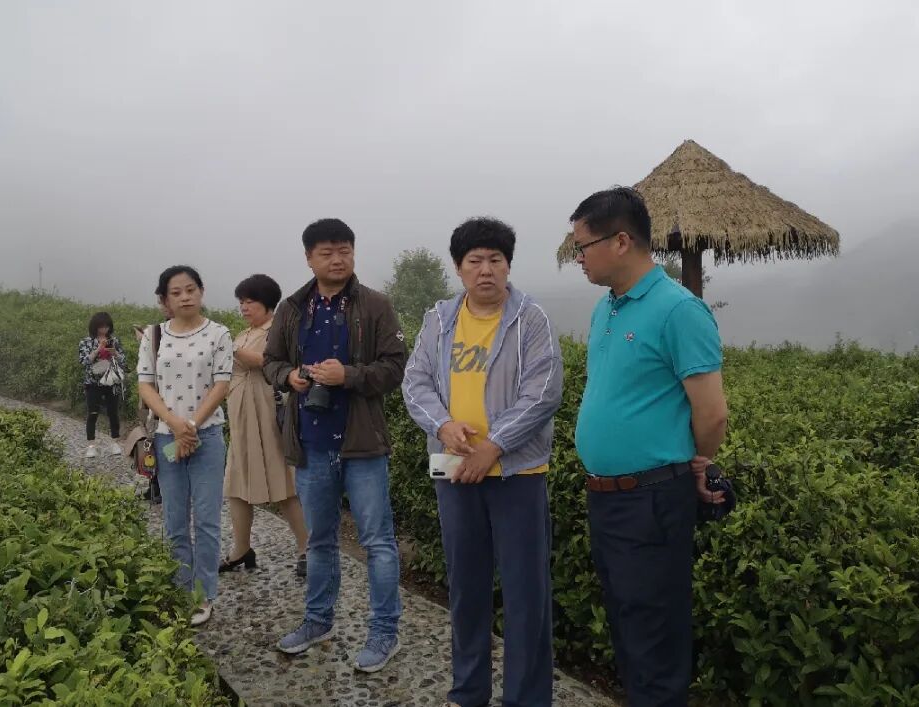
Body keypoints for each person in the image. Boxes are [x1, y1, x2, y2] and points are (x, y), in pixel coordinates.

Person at [568, 187, 728, 706]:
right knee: (628, 625)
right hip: (607, 496)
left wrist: (695, 464)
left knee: (655, 635)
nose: (578, 257)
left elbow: (712, 412)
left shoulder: (679, 310)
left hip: (652, 498)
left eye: (583, 246)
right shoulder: (606, 309)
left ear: (620, 241)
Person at [403, 217, 563, 707]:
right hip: (454, 472)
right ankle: (468, 691)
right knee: (466, 588)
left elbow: (544, 392)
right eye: (475, 260)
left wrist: (494, 445)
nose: (486, 269)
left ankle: (526, 698)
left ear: (508, 265)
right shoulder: (439, 318)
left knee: (525, 594)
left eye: (496, 259)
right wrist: (442, 426)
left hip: (517, 474)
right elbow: (415, 381)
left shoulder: (531, 319)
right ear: (459, 267)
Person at [263, 218, 408, 673]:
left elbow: (395, 367)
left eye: (345, 250)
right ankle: (317, 620)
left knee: (378, 542)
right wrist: (289, 376)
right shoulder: (292, 308)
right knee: (320, 541)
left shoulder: (375, 305)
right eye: (327, 252)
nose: (338, 259)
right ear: (309, 258)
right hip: (311, 444)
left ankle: (384, 632)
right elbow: (270, 361)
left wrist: (348, 375)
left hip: (362, 444)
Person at [137, 265, 233, 627]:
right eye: (176, 292)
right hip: (167, 438)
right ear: (165, 299)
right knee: (174, 520)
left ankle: (204, 594)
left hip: (206, 438)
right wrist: (175, 424)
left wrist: (191, 426)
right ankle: (181, 589)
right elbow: (146, 385)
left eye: (190, 289)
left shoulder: (219, 334)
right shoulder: (154, 335)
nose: (185, 297)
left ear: (201, 291)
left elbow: (221, 384)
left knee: (207, 520)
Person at [220, 273, 310, 577]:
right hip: (240, 413)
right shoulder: (243, 333)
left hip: (268, 411)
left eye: (250, 302)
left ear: (267, 303)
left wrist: (227, 347)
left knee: (284, 481)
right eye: (241, 302)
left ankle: (307, 548)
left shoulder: (278, 329)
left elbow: (264, 360)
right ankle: (241, 548)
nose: (244, 307)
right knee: (236, 482)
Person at [78, 311, 126, 458]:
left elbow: (123, 360)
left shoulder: (114, 340)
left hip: (111, 382)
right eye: (101, 326)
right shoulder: (86, 342)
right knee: (92, 413)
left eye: (106, 326)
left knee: (113, 413)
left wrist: (115, 353)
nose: (104, 329)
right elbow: (84, 361)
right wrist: (98, 349)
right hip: (93, 382)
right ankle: (91, 445)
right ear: (95, 327)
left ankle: (115, 442)